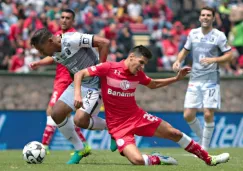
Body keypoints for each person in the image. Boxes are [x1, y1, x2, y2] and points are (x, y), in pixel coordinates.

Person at [73, 45, 230, 166]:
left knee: (174, 133)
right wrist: (78, 95)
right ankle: (158, 158)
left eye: (144, 64)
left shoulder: (138, 74)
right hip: (117, 126)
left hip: (137, 117)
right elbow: (79, 73)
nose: (142, 67)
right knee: (137, 161)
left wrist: (176, 79)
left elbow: (153, 84)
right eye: (141, 63)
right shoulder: (109, 67)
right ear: (132, 57)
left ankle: (209, 159)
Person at [30, 26, 110, 164]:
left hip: (94, 83)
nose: (42, 53)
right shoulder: (54, 52)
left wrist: (100, 70)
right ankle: (81, 148)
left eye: (41, 50)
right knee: (56, 114)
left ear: (50, 41)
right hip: (78, 83)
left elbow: (104, 43)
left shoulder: (72, 39)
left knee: (80, 121)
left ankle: (113, 127)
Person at [29, 9, 89, 156]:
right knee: (65, 116)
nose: (64, 20)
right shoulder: (55, 37)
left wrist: (39, 63)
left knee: (51, 111)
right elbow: (53, 57)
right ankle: (84, 145)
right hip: (61, 79)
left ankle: (44, 146)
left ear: (73, 21)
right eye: (61, 17)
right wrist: (40, 62)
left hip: (66, 79)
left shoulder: (73, 36)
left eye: (67, 18)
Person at [172, 6, 233, 150]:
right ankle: (202, 139)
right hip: (194, 79)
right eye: (203, 15)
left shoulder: (219, 35)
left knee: (207, 113)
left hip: (211, 81)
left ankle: (204, 148)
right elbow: (185, 50)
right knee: (188, 115)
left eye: (208, 15)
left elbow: (229, 55)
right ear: (200, 18)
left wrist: (214, 60)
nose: (205, 17)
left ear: (213, 18)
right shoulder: (193, 34)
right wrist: (177, 61)